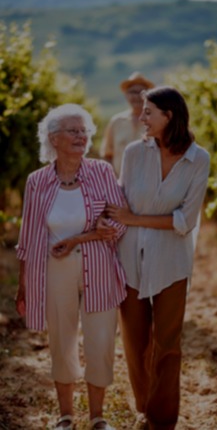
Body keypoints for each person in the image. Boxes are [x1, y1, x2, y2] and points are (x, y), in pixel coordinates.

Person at [15, 104, 128, 430]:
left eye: (84, 131)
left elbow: (120, 218)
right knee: (62, 342)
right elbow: (28, 235)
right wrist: (23, 284)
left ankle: (97, 418)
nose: (82, 137)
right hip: (53, 269)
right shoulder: (37, 181)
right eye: (73, 131)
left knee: (101, 341)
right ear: (53, 138)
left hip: (100, 266)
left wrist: (96, 233)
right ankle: (66, 417)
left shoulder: (101, 172)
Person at [105, 86, 210, 430]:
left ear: (169, 116)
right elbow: (120, 201)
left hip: (172, 263)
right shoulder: (135, 153)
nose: (142, 117)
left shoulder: (198, 159)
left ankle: (161, 421)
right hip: (129, 259)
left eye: (149, 112)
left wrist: (134, 218)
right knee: (136, 342)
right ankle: (144, 409)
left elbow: (185, 220)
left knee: (168, 345)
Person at [100, 71, 155, 177]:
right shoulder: (116, 121)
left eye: (142, 92)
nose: (137, 96)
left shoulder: (155, 121)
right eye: (132, 92)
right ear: (126, 95)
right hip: (119, 185)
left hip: (150, 185)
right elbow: (107, 155)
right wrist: (112, 180)